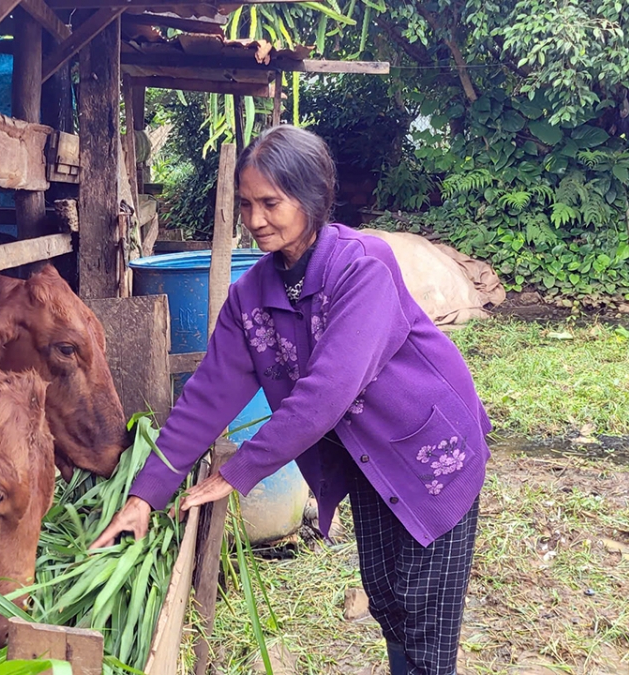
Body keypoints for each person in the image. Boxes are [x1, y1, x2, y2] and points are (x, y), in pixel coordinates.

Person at [90, 125, 491, 675]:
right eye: (247, 204)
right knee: (389, 599)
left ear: (311, 197)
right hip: (369, 461)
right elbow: (206, 397)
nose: (255, 220)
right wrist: (144, 496)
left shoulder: (362, 266)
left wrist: (239, 473)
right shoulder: (251, 295)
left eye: (271, 203)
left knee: (426, 616)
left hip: (430, 450)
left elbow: (326, 393)